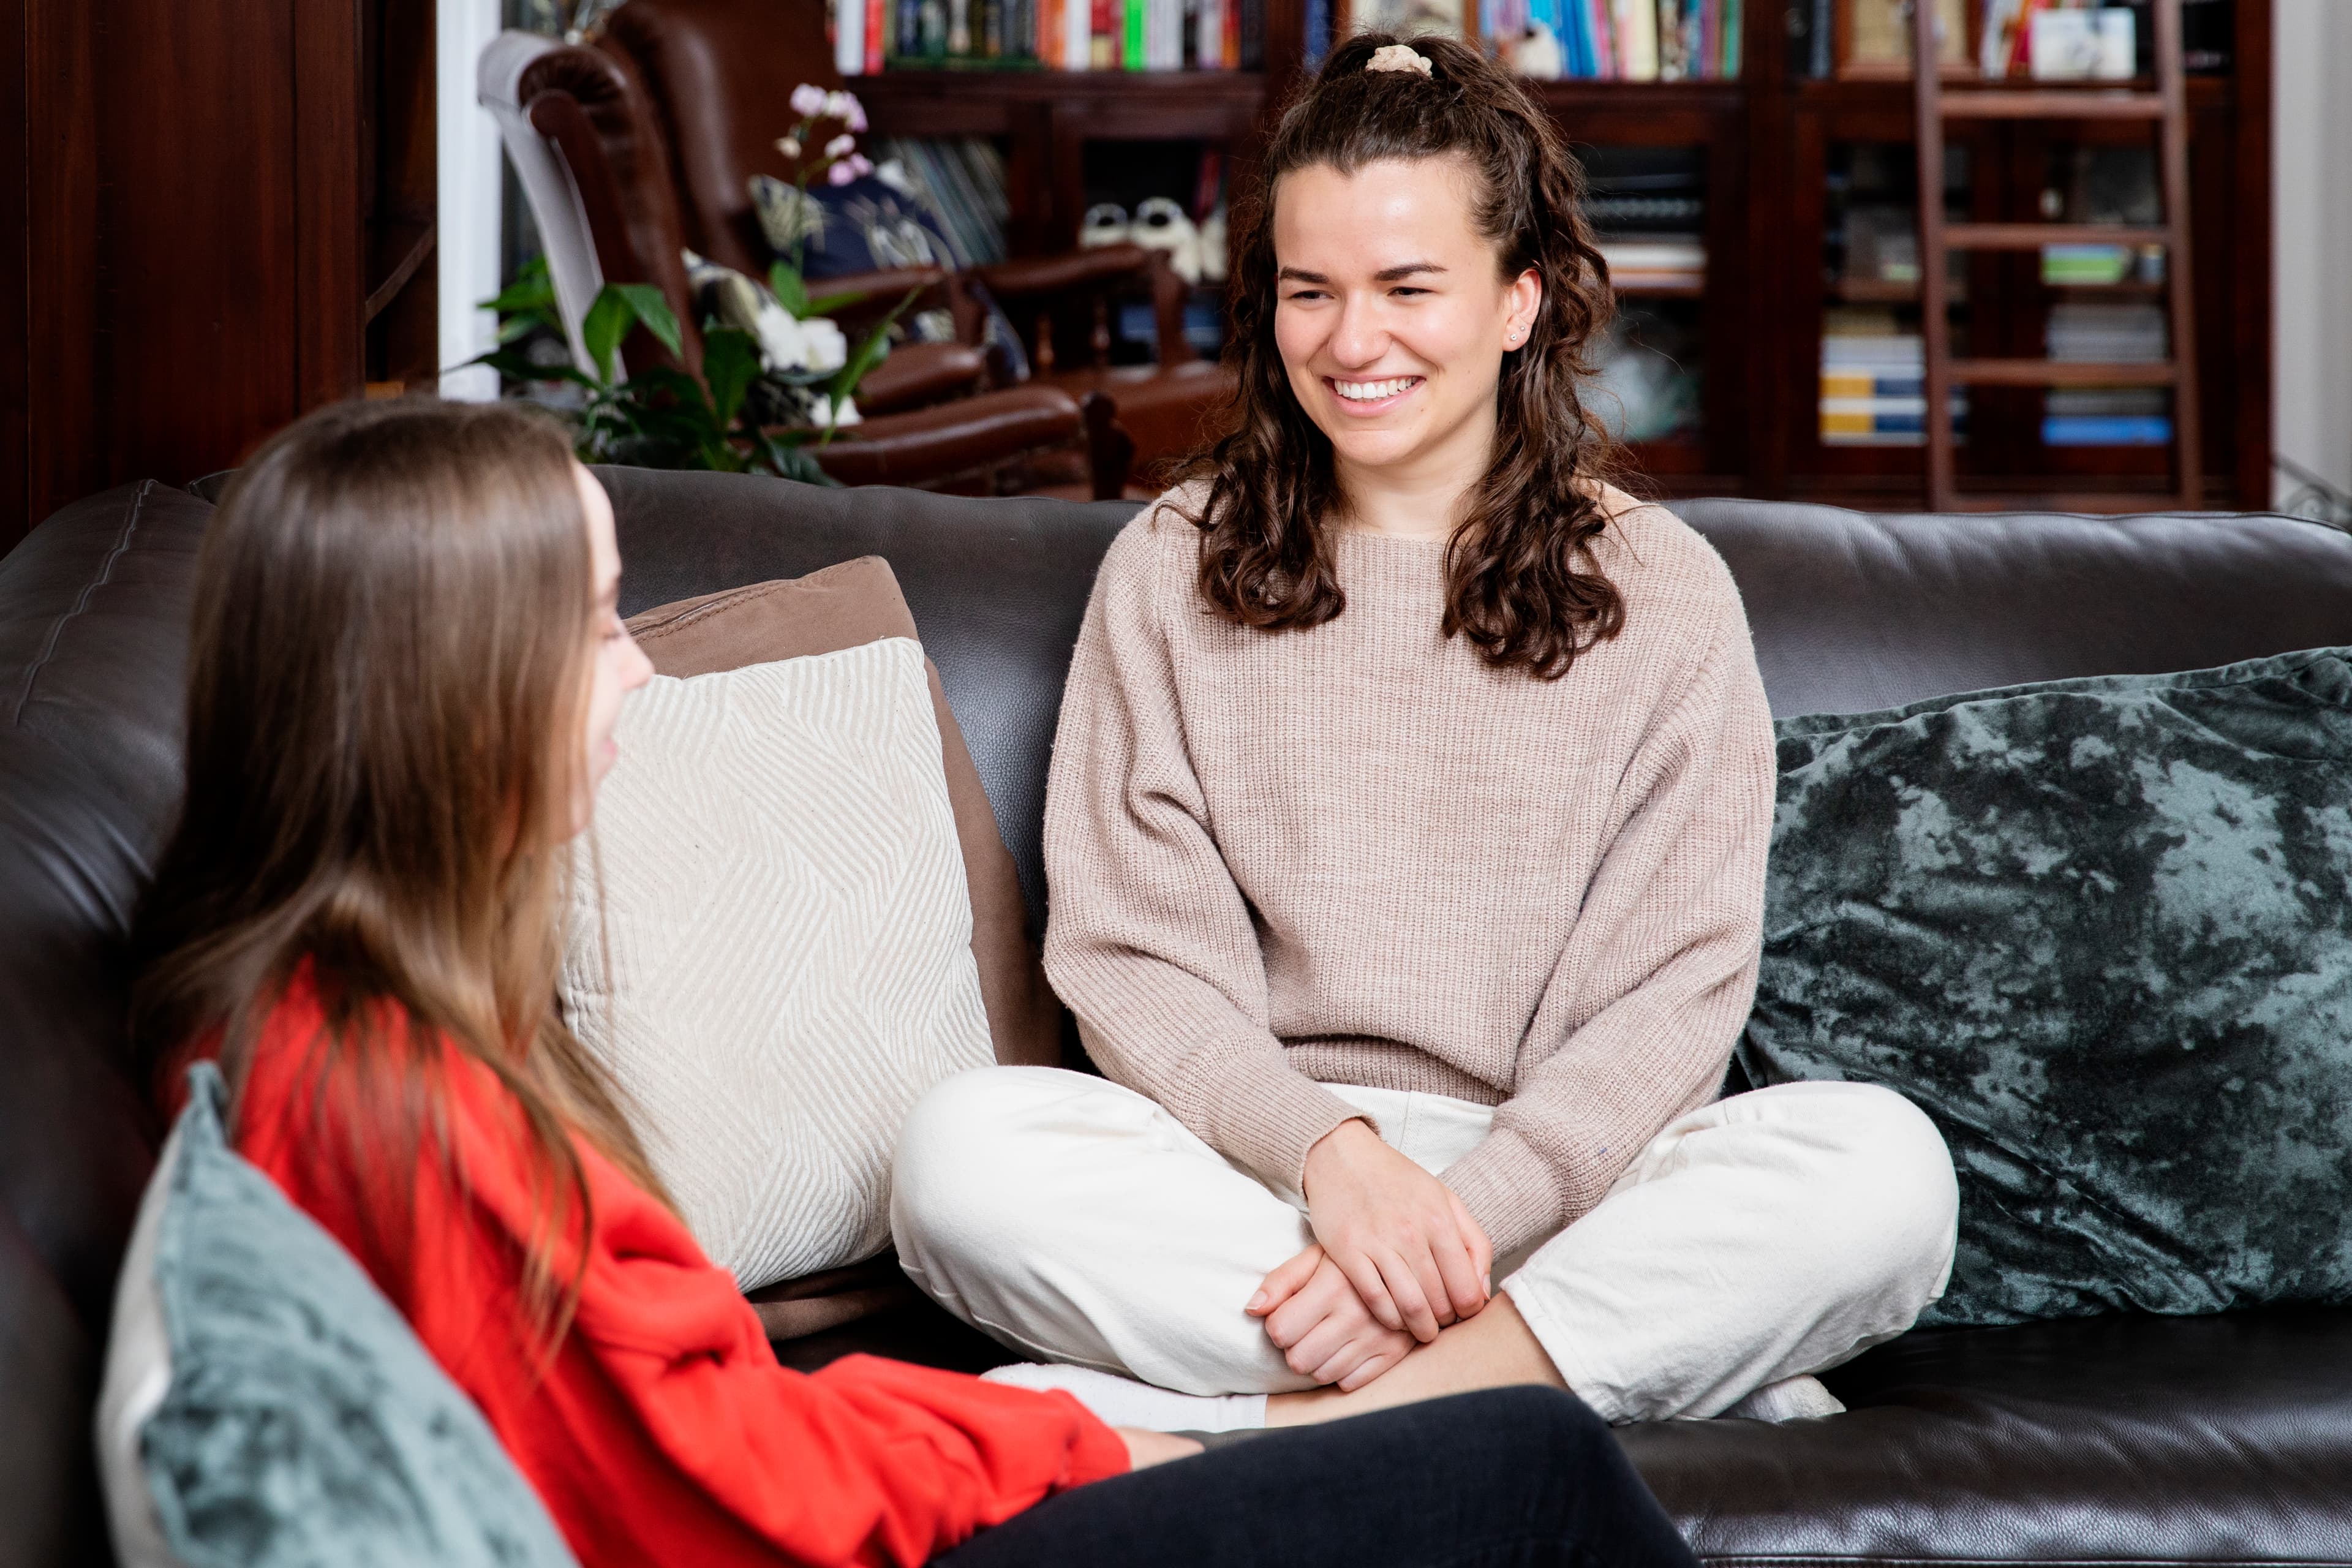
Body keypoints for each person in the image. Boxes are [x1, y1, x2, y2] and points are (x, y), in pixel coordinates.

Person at [126, 394, 1698, 1568]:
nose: (639, 669)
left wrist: (1085, 1435)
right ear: (445, 691)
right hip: (882, 1539)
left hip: (927, 1473)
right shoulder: (387, 1092)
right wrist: (1092, 1453)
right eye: (597, 624)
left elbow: (719, 1416)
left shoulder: (328, 1020)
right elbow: (728, 1480)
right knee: (1535, 1470)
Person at [889, 32, 1961, 1438]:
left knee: (1881, 1171)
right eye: (1309, 291)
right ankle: (1586, 1369)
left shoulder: (1665, 591)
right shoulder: (1167, 566)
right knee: (956, 1157)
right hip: (1254, 1173)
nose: (1352, 341)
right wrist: (1334, 1158)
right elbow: (1134, 962)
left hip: (1562, 1189)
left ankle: (1267, 1421)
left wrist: (1472, 1206)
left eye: (1407, 288)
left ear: (1522, 300)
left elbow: (1671, 1002)